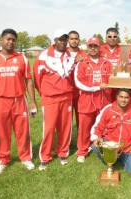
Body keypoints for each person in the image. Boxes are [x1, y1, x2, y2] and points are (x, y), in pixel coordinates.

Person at [0, 28, 37, 174]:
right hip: (0, 101)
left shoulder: (22, 59)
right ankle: (2, 159)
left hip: (19, 100)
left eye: (13, 39)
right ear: (1, 40)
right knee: (1, 132)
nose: (10, 42)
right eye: (8, 39)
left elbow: (29, 81)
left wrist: (33, 101)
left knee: (23, 131)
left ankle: (25, 157)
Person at [34, 29, 75, 171]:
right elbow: (37, 79)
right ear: (54, 40)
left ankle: (62, 153)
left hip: (67, 97)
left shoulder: (71, 55)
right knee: (49, 128)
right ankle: (45, 157)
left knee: (65, 127)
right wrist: (45, 93)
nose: (63, 42)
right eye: (60, 39)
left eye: (65, 39)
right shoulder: (43, 56)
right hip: (50, 98)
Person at [74, 37, 112, 163]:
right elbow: (79, 83)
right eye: (91, 46)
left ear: (99, 47)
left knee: (104, 127)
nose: (93, 49)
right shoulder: (82, 63)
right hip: (87, 101)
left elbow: (113, 79)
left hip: (104, 101)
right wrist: (97, 87)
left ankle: (103, 148)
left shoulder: (107, 63)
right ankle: (82, 151)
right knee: (84, 128)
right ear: (87, 48)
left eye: (95, 46)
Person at [90, 88, 131, 174]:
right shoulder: (108, 109)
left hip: (127, 147)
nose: (123, 100)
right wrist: (98, 137)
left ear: (130, 98)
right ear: (116, 96)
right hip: (110, 144)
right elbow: (97, 127)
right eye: (121, 97)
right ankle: (110, 160)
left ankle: (120, 157)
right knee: (95, 146)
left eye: (126, 97)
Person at [67, 30, 87, 131]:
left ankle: (82, 140)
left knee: (81, 118)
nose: (74, 41)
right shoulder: (63, 53)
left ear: (79, 40)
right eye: (72, 38)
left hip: (80, 91)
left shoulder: (84, 54)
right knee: (66, 119)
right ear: (68, 40)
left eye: (76, 39)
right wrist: (74, 61)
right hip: (66, 90)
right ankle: (66, 142)